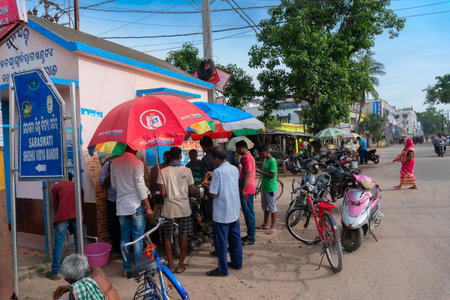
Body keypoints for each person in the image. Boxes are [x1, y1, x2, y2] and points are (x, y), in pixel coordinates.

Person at [110, 145, 153, 276]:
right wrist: (148, 206)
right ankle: (139, 267)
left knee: (124, 237)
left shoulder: (114, 163)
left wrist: (146, 191)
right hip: (136, 205)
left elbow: (114, 185)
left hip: (122, 205)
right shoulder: (137, 163)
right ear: (134, 148)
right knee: (138, 238)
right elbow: (139, 184)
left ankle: (126, 268)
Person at [202, 150, 242, 277]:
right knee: (235, 239)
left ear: (217, 160)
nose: (213, 162)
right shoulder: (235, 169)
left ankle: (222, 269)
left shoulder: (218, 172)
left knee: (222, 242)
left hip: (222, 213)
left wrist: (205, 185)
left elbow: (214, 193)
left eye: (213, 160)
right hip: (234, 210)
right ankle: (237, 262)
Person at [157, 147, 195, 273]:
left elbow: (162, 193)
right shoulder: (187, 170)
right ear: (180, 157)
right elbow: (192, 190)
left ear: (169, 157)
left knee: (168, 236)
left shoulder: (162, 171)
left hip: (169, 210)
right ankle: (180, 265)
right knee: (184, 236)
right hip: (184, 209)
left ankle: (171, 265)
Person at [46, 173, 84, 281]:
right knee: (79, 243)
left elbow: (56, 204)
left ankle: (56, 272)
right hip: (77, 215)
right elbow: (81, 202)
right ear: (72, 178)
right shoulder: (78, 186)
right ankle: (80, 270)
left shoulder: (56, 187)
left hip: (63, 215)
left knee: (58, 243)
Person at [235, 140, 256, 245]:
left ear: (242, 148)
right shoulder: (245, 158)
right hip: (246, 189)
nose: (236, 151)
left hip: (247, 190)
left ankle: (251, 238)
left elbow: (248, 175)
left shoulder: (247, 159)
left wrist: (243, 189)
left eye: (237, 148)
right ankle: (250, 235)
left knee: (249, 214)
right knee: (248, 213)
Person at [255, 145, 278, 234]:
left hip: (270, 188)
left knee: (272, 207)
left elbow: (272, 175)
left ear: (267, 152)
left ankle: (273, 227)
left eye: (262, 154)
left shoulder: (272, 161)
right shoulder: (265, 160)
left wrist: (260, 171)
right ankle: (265, 224)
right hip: (264, 187)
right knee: (265, 207)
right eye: (260, 154)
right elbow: (264, 173)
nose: (261, 155)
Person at [99, 160, 120, 254]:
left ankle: (128, 249)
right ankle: (118, 250)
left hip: (124, 200)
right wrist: (112, 172)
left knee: (124, 226)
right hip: (112, 200)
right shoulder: (108, 164)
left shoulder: (126, 163)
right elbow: (102, 182)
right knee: (112, 225)